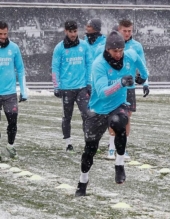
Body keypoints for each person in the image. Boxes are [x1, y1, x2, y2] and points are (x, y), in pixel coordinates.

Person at [75, 30, 148, 196]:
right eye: (115, 51)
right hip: (98, 109)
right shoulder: (98, 65)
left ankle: (119, 164)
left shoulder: (129, 55)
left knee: (120, 122)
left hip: (118, 105)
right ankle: (83, 180)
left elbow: (140, 62)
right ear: (107, 50)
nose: (119, 54)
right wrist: (121, 83)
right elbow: (102, 92)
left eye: (121, 50)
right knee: (90, 150)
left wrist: (143, 77)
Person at [106, 19, 149, 160]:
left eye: (129, 30)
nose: (127, 33)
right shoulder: (111, 44)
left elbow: (142, 65)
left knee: (127, 118)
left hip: (129, 88)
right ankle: (111, 148)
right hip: (114, 85)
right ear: (119, 30)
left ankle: (122, 149)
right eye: (124, 31)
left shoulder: (136, 46)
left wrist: (145, 83)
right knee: (113, 116)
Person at [51, 20, 93, 152]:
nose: (73, 34)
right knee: (67, 116)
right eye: (71, 32)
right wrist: (56, 86)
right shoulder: (59, 48)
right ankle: (68, 143)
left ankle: (89, 141)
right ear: (66, 31)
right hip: (66, 89)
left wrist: (89, 83)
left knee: (87, 115)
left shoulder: (84, 46)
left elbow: (90, 65)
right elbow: (55, 68)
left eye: (75, 31)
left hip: (81, 88)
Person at [0, 21, 28, 160]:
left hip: (10, 93)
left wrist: (24, 91)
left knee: (13, 121)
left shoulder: (14, 48)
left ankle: (10, 145)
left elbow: (21, 69)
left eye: (5, 34)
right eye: (0, 34)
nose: (3, 36)